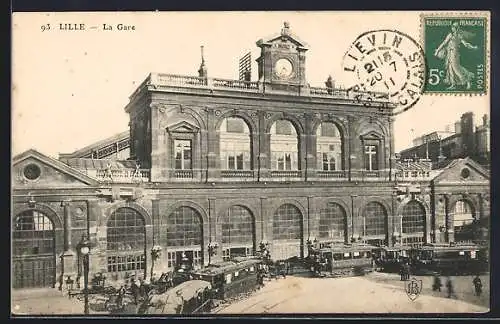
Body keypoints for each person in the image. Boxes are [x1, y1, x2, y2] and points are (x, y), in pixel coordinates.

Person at [434, 21, 478, 90]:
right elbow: (444, 43)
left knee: (456, 68)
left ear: (458, 28)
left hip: (455, 54)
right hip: (449, 53)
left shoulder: (459, 35)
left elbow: (466, 44)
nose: (454, 28)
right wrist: (437, 51)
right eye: (453, 26)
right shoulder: (450, 35)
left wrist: (473, 47)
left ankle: (468, 81)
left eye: (455, 27)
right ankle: (453, 84)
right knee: (450, 68)